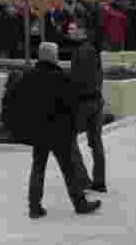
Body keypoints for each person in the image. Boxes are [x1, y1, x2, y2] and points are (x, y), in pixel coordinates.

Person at [15, 42, 101, 219]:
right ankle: (80, 204)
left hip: (39, 132)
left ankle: (34, 207)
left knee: (38, 168)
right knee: (69, 170)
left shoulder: (29, 77)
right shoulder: (61, 77)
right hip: (60, 133)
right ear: (53, 56)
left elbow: (21, 105)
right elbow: (72, 107)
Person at [69, 37, 107, 193]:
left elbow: (75, 79)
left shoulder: (79, 53)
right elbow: (99, 76)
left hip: (83, 103)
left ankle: (82, 179)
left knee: (70, 141)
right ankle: (100, 181)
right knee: (96, 142)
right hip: (97, 101)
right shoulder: (94, 53)